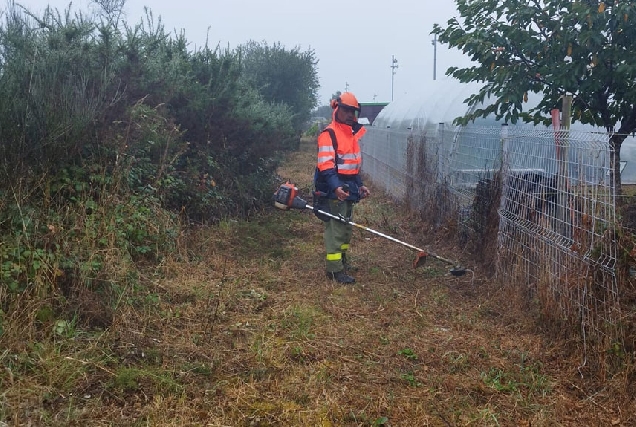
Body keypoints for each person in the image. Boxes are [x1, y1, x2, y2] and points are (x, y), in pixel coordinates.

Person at [314, 92, 370, 284]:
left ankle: (342, 262)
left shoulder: (351, 135)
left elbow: (352, 166)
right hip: (333, 191)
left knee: (346, 230)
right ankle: (334, 271)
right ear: (337, 109)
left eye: (352, 111)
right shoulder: (329, 134)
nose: (349, 115)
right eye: (345, 110)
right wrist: (336, 187)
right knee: (335, 231)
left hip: (348, 190)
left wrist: (360, 185)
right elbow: (326, 166)